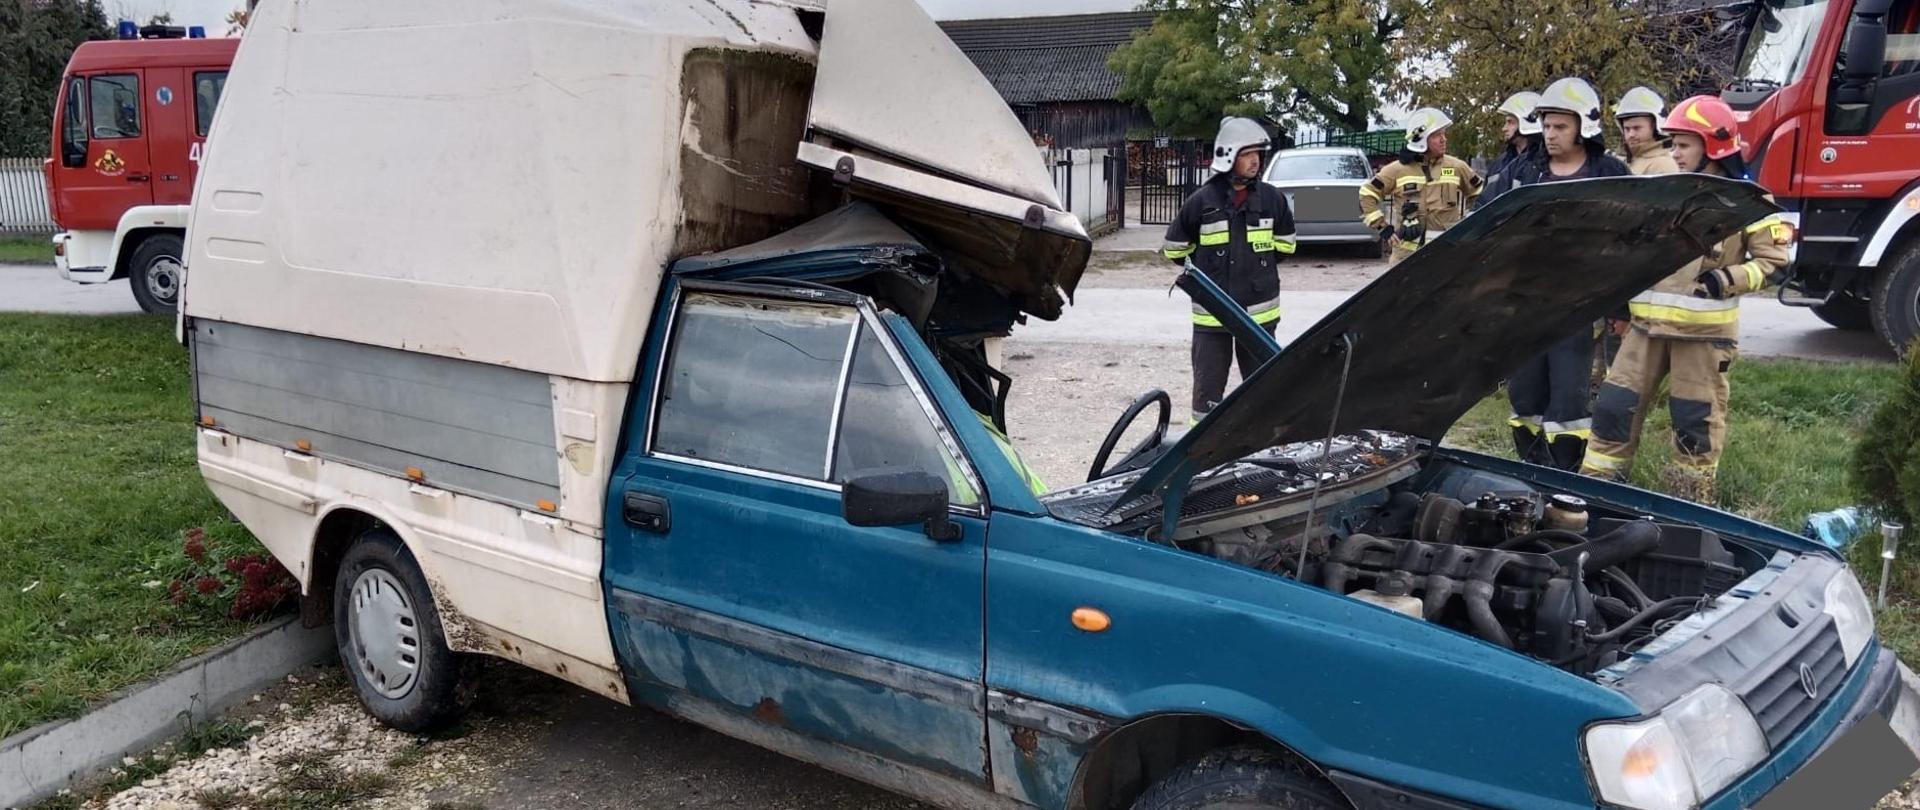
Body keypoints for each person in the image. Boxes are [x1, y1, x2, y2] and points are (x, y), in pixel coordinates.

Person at [1580, 95, 1791, 503]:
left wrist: (1723, 280)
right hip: (1644, 330)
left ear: (1713, 147)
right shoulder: (1662, 193)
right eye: (1673, 143)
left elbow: (1775, 264)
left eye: (1683, 144)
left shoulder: (1748, 202)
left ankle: (1690, 504)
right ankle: (1595, 496)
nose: (1674, 153)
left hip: (1703, 337)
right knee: (1612, 411)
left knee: (1694, 423)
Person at [1506, 77, 1633, 470]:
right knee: (1524, 396)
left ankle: (1565, 475)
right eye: (1546, 126)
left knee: (1568, 399)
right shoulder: (1523, 171)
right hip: (1525, 305)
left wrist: (1620, 307)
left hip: (1579, 307)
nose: (1550, 135)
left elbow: (1629, 246)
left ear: (1585, 126)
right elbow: (1491, 229)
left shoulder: (1610, 172)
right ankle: (1531, 469)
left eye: (1560, 126)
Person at [1162, 117, 1297, 424]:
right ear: (1228, 156)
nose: (1256, 160)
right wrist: (1205, 272)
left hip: (1260, 317)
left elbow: (1286, 246)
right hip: (1212, 316)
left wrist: (1256, 270)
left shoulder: (1272, 199)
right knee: (1207, 394)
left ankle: (1261, 445)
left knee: (1264, 389)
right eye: (1248, 154)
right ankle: (1202, 452)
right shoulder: (1200, 202)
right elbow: (1173, 249)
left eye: (1258, 154)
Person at [1358, 107, 1484, 265]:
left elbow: (1480, 193)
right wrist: (1384, 228)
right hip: (1406, 258)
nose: (1443, 139)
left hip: (1446, 255)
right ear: (1421, 139)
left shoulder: (1456, 167)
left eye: (1444, 134)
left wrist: (1469, 222)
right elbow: (1366, 194)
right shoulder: (1397, 170)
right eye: (1437, 135)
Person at [1480, 91, 1542, 205]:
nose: (1504, 128)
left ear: (1530, 121)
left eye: (1510, 122)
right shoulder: (1498, 164)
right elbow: (1483, 203)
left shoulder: (1544, 162)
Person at [1614, 86, 1679, 176]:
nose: (1631, 134)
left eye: (1637, 128)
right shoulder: (1627, 161)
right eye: (1627, 129)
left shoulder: (1662, 166)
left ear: (1654, 127)